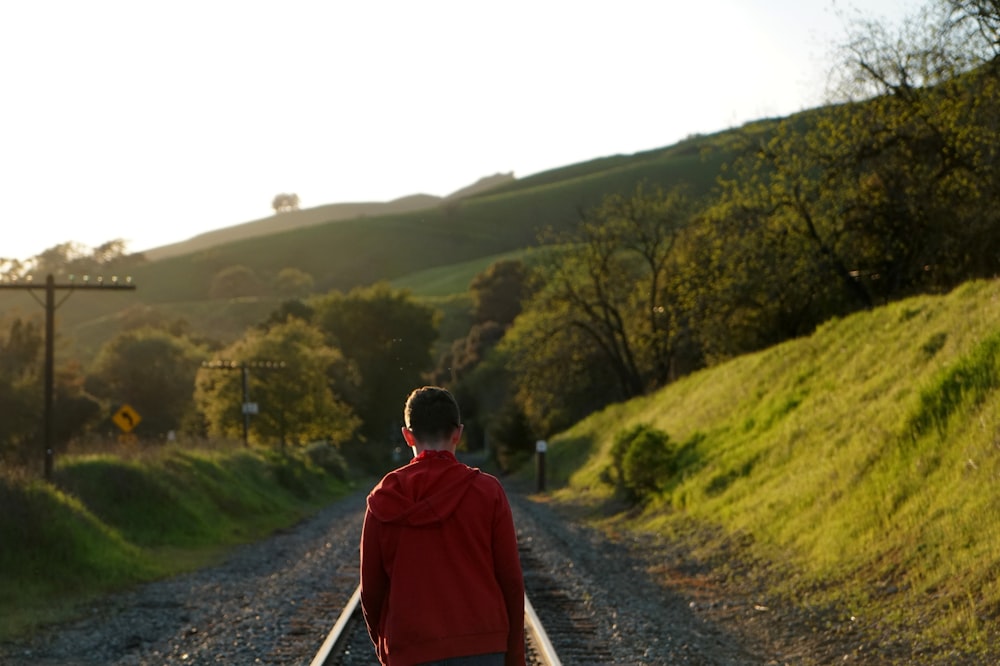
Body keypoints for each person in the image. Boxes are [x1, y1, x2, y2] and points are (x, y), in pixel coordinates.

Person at [360, 386, 526, 666]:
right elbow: (510, 581)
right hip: (482, 647)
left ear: (407, 435)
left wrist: (388, 646)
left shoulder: (384, 497)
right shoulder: (488, 492)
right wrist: (515, 656)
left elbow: (371, 591)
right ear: (458, 433)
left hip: (411, 648)